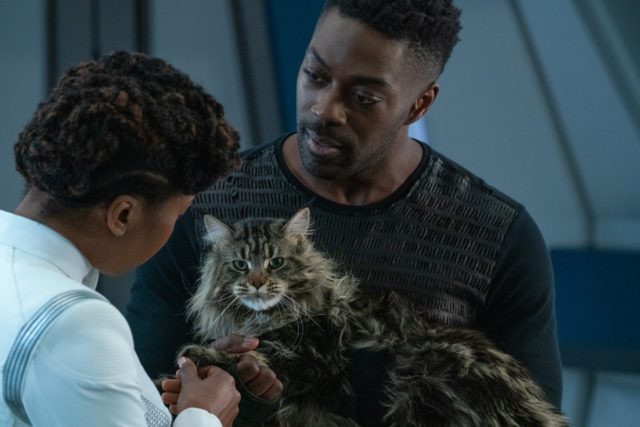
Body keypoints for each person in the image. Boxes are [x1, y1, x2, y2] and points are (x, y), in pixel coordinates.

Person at [126, 0, 563, 424]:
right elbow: (134, 404)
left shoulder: (496, 235)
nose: (324, 109)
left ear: (419, 104)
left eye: (363, 97)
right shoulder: (202, 203)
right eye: (315, 75)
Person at [0, 51, 281, 427]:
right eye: (178, 214)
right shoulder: (75, 324)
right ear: (123, 215)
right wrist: (205, 415)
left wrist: (157, 401)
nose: (174, 228)